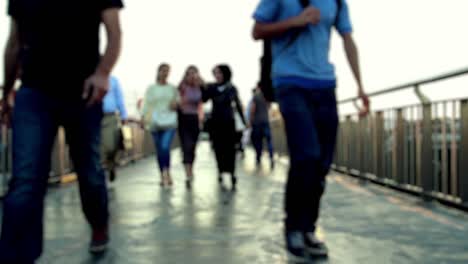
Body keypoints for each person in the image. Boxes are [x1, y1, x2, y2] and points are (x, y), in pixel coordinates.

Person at [0, 0, 123, 261]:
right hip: (34, 93)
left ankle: (99, 223)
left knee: (89, 174)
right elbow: (14, 43)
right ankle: (17, 257)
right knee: (26, 181)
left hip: (83, 94)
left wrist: (103, 73)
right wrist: (7, 90)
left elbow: (114, 33)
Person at [252, 0, 370, 260]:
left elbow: (348, 40)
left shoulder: (337, 2)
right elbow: (257, 31)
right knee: (306, 155)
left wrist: (360, 85)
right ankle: (292, 227)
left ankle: (307, 228)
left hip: (325, 84)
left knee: (322, 163)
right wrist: (297, 20)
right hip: (290, 82)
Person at [202, 64, 246, 191]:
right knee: (218, 150)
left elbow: (237, 104)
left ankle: (231, 173)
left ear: (225, 74)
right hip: (216, 123)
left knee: (230, 150)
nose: (217, 76)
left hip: (229, 123)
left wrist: (244, 121)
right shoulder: (212, 87)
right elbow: (204, 99)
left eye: (219, 73)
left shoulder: (231, 88)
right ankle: (221, 171)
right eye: (215, 73)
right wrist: (203, 87)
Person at [141, 63, 178, 187]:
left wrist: (176, 104)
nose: (165, 73)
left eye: (167, 71)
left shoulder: (172, 88)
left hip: (169, 122)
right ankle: (162, 174)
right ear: (158, 72)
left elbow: (178, 102)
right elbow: (146, 104)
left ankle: (168, 172)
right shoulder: (151, 88)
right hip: (154, 122)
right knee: (159, 150)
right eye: (163, 70)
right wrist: (142, 117)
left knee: (164, 147)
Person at [177, 66, 204, 189]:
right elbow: (176, 102)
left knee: (192, 147)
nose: (192, 76)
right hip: (183, 119)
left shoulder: (200, 87)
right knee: (186, 146)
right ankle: (188, 173)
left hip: (194, 119)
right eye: (189, 73)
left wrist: (201, 81)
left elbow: (204, 100)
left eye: (194, 73)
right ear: (185, 75)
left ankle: (191, 168)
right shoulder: (182, 87)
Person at [102, 76, 128, 182]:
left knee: (111, 146)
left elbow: (119, 97)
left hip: (110, 116)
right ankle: (102, 169)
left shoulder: (113, 80)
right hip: (93, 115)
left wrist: (123, 115)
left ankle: (111, 164)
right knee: (98, 147)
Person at [249, 84, 274, 169]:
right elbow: (269, 106)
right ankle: (271, 157)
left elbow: (253, 109)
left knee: (258, 141)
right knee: (269, 140)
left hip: (257, 122)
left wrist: (251, 120)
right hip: (266, 121)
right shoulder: (267, 95)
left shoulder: (256, 95)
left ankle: (258, 157)